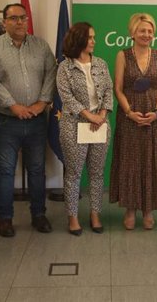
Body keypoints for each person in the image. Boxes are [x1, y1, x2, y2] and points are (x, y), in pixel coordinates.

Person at [0, 3, 57, 237]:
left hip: (36, 120)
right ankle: (5, 218)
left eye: (23, 18)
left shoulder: (41, 46)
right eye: (13, 18)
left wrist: (41, 103)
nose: (19, 22)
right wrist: (13, 106)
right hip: (6, 121)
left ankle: (38, 214)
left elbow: (51, 74)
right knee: (5, 171)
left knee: (36, 169)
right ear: (4, 22)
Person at [110, 13, 157, 230]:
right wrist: (129, 112)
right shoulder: (122, 55)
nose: (146, 34)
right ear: (133, 32)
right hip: (130, 118)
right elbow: (117, 88)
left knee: (152, 162)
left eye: (150, 31)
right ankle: (130, 209)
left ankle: (148, 210)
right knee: (131, 163)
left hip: (155, 118)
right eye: (142, 30)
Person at [57, 22, 113, 236]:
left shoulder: (100, 64)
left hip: (100, 125)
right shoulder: (65, 67)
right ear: (79, 39)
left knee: (97, 174)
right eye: (90, 37)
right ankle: (73, 217)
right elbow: (66, 97)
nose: (93, 41)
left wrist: (102, 115)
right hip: (74, 126)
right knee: (74, 174)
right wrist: (88, 115)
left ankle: (95, 214)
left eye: (94, 37)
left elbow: (108, 91)